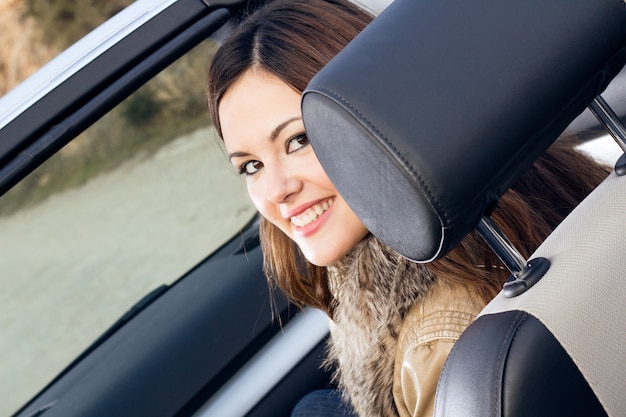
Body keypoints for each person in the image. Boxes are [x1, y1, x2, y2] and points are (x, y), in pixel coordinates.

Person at [207, 1, 610, 416]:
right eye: (251, 166)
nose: (275, 191)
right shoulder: (522, 174)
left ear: (381, 114)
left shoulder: (437, 342)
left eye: (299, 140)